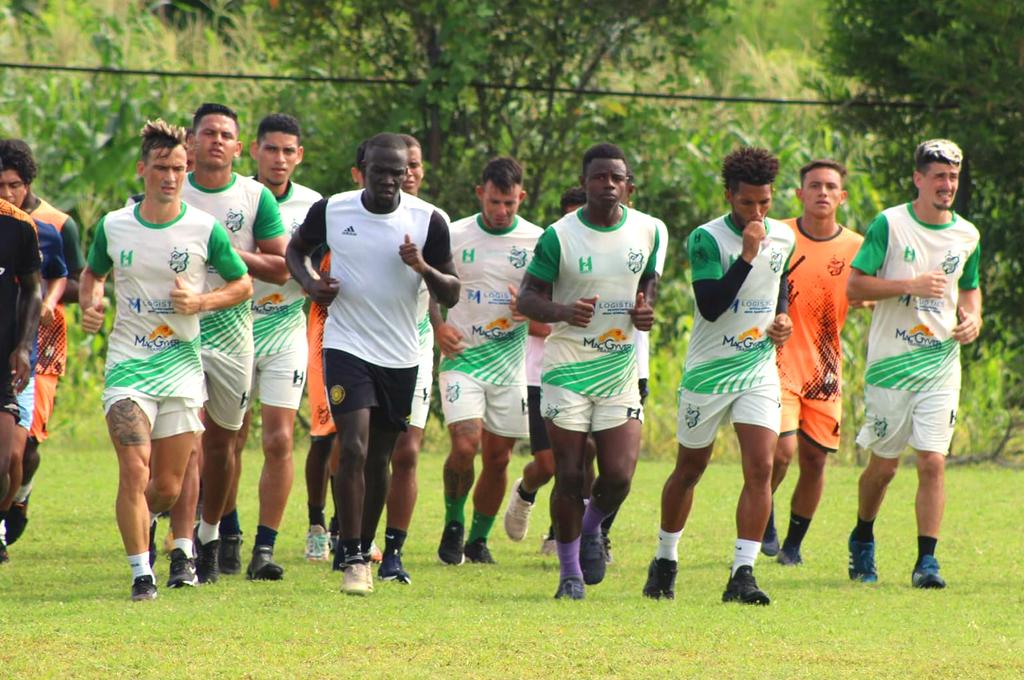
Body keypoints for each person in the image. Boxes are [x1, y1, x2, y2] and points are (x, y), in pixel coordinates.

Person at [79, 120, 251, 600]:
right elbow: (92, 273)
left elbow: (243, 285)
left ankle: (155, 525)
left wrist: (200, 303)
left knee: (169, 488)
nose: (170, 176)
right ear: (143, 170)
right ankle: (141, 574)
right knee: (134, 470)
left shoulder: (204, 228)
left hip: (180, 366)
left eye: (178, 167)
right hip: (128, 365)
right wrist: (92, 302)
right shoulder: (115, 225)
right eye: (161, 167)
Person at [286, 132, 459, 595]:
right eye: (379, 170)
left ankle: (369, 541)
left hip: (401, 354)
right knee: (354, 447)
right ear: (362, 169)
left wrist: (422, 267)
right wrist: (310, 283)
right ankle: (354, 555)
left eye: (397, 172)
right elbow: (295, 250)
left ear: (408, 174)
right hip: (345, 344)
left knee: (381, 456)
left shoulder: (428, 220)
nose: (388, 180)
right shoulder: (334, 208)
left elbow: (453, 291)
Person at [643, 147, 794, 605]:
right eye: (747, 202)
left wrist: (782, 319)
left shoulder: (783, 236)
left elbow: (780, 283)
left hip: (757, 368)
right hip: (708, 373)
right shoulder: (706, 239)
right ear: (729, 195)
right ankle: (666, 558)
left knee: (762, 468)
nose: (757, 212)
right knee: (690, 469)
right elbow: (711, 306)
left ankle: (742, 575)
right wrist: (746, 256)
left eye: (765, 202)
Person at [517, 143, 660, 600]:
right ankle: (570, 574)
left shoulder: (648, 230)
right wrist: (563, 310)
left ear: (628, 186)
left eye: (616, 178)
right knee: (571, 475)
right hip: (568, 367)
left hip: (619, 367)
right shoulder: (559, 236)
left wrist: (646, 309)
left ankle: (591, 527)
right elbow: (526, 298)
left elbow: (648, 281)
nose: (607, 186)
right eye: (599, 178)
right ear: (585, 183)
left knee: (618, 475)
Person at [846, 139, 981, 589]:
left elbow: (970, 287)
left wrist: (972, 317)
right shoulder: (890, 224)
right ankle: (863, 536)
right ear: (918, 179)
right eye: (939, 176)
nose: (947, 185)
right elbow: (855, 286)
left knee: (932, 462)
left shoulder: (968, 235)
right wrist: (911, 284)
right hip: (891, 364)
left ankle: (927, 561)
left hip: (941, 363)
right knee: (883, 467)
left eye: (954, 177)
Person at [175, 103, 287, 583]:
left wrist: (223, 250)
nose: (217, 140)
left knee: (223, 444)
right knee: (187, 440)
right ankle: (182, 546)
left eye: (226, 134)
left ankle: (211, 530)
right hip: (179, 333)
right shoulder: (171, 187)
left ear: (239, 147)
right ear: (192, 142)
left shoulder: (254, 196)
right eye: (208, 133)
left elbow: (281, 267)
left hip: (236, 331)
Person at [208, 113, 321, 580]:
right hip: (231, 329)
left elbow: (319, 270)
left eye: (288, 150)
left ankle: (265, 548)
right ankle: (226, 531)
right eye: (270, 149)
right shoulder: (232, 196)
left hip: (284, 330)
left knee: (278, 438)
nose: (279, 158)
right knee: (229, 437)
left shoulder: (315, 206)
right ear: (253, 150)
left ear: (299, 156)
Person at [434, 157, 543, 567]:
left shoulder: (538, 240)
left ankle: (478, 541)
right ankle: (453, 523)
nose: (501, 212)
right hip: (463, 357)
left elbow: (547, 299)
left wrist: (531, 310)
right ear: (480, 193)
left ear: (521, 198)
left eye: (509, 204)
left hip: (509, 366)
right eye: (494, 202)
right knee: (465, 443)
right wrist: (439, 324)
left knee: (498, 458)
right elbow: (431, 284)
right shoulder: (454, 234)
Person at [758, 159, 864, 565]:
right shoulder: (778, 236)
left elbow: (868, 285)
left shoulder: (856, 247)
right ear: (800, 194)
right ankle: (762, 511)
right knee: (780, 452)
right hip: (776, 362)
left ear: (842, 196)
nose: (822, 192)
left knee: (815, 460)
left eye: (830, 186)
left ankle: (793, 547)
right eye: (814, 185)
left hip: (825, 369)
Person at [0, 139, 86, 541]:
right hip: (10, 337)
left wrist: (50, 300)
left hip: (43, 343)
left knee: (28, 445)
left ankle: (21, 495)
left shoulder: (55, 224)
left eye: (13, 184)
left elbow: (76, 281)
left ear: (28, 181)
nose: (7, 193)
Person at [506, 186, 585, 556]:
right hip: (542, 374)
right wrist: (560, 320)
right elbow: (530, 320)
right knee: (550, 463)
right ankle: (525, 490)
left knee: (582, 461)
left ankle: (561, 535)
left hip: (592, 373)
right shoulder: (547, 256)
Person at [0, 215, 66, 562]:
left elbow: (48, 281)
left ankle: (15, 502)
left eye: (14, 184)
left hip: (17, 361)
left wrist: (24, 346)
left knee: (16, 455)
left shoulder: (39, 229)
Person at [0, 197, 41, 547]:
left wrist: (24, 347)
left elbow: (32, 289)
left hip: (3, 362)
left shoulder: (18, 224)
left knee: (6, 460)